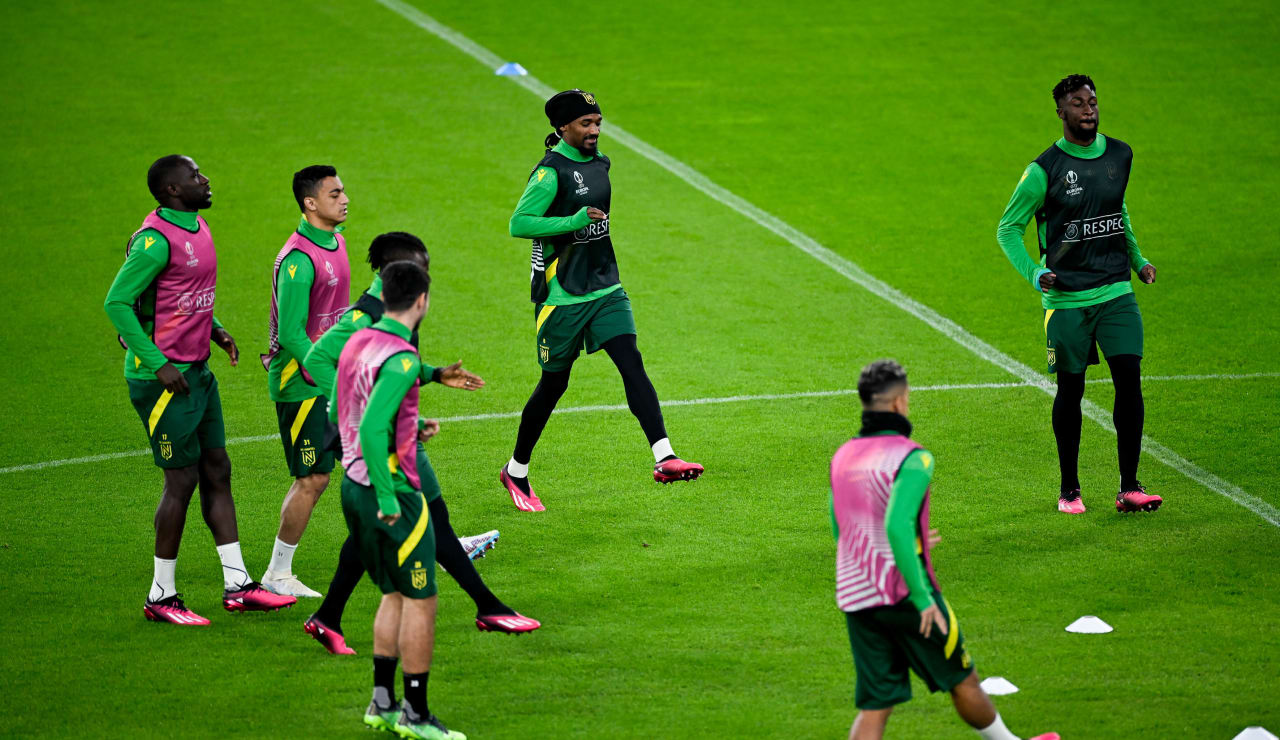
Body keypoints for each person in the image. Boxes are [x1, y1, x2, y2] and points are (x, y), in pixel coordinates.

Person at [304, 232, 538, 656]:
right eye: (419, 266)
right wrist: (357, 410)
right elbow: (317, 360)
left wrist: (430, 374)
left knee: (378, 527)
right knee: (429, 517)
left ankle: (327, 617)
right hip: (378, 437)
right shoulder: (366, 316)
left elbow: (390, 363)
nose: (425, 275)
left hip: (397, 428)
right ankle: (487, 607)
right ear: (394, 272)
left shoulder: (399, 307)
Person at [104, 154, 296, 625]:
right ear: (171, 190)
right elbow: (118, 304)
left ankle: (237, 584)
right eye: (194, 176)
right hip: (163, 383)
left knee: (217, 469)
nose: (205, 180)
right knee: (182, 480)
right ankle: (161, 597)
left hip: (198, 374)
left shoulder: (198, 227)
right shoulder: (152, 241)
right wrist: (159, 363)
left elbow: (181, 297)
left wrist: (216, 329)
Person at [831, 360, 1058, 740]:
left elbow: (843, 525)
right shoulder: (913, 458)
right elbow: (894, 525)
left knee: (877, 703)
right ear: (900, 402)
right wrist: (922, 597)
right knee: (963, 678)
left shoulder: (843, 456)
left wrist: (906, 540)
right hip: (905, 594)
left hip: (856, 595)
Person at [499, 89, 702, 512]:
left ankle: (664, 456)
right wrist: (573, 221)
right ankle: (516, 470)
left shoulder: (600, 162)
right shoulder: (549, 173)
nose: (594, 130)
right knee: (554, 385)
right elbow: (519, 223)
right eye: (585, 124)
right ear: (562, 128)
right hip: (563, 296)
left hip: (606, 286)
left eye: (597, 122)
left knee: (631, 361)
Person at [996, 74, 1163, 515]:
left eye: (1092, 101)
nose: (1089, 109)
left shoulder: (1120, 154)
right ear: (1061, 112)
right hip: (1067, 301)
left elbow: (1117, 211)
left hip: (1115, 292)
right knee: (1071, 390)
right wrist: (1035, 273)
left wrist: (1137, 260)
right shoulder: (1043, 170)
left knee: (1129, 378)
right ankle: (1069, 489)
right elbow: (1008, 228)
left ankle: (1130, 486)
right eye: (1078, 102)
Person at [337, 260, 465, 739]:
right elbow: (371, 426)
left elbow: (342, 410)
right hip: (390, 492)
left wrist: (411, 428)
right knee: (421, 599)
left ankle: (381, 702)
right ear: (421, 302)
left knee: (392, 591)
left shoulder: (356, 341)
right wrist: (390, 495)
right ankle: (416, 714)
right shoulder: (403, 357)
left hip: (353, 485)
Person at [258, 165, 352, 597]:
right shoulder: (298, 259)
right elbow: (294, 334)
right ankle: (277, 574)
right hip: (303, 385)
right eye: (334, 194)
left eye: (343, 191)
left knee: (378, 458)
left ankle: (428, 545)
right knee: (313, 479)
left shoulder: (337, 242)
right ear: (310, 203)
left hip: (333, 377)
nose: (345, 199)